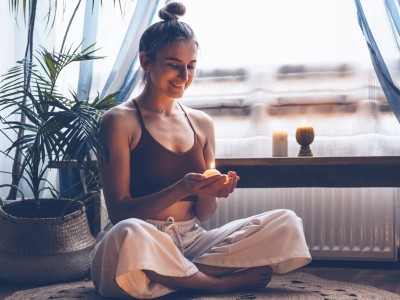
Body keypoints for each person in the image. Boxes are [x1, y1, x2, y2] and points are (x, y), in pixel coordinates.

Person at [90, 2, 312, 299]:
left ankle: (167, 275)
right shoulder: (118, 120)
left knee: (286, 221)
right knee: (126, 235)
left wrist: (211, 191)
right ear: (146, 61)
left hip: (193, 239)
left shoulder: (202, 123)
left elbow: (205, 215)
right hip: (144, 237)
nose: (184, 75)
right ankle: (218, 283)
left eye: (191, 66)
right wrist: (181, 188)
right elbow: (119, 212)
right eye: (174, 64)